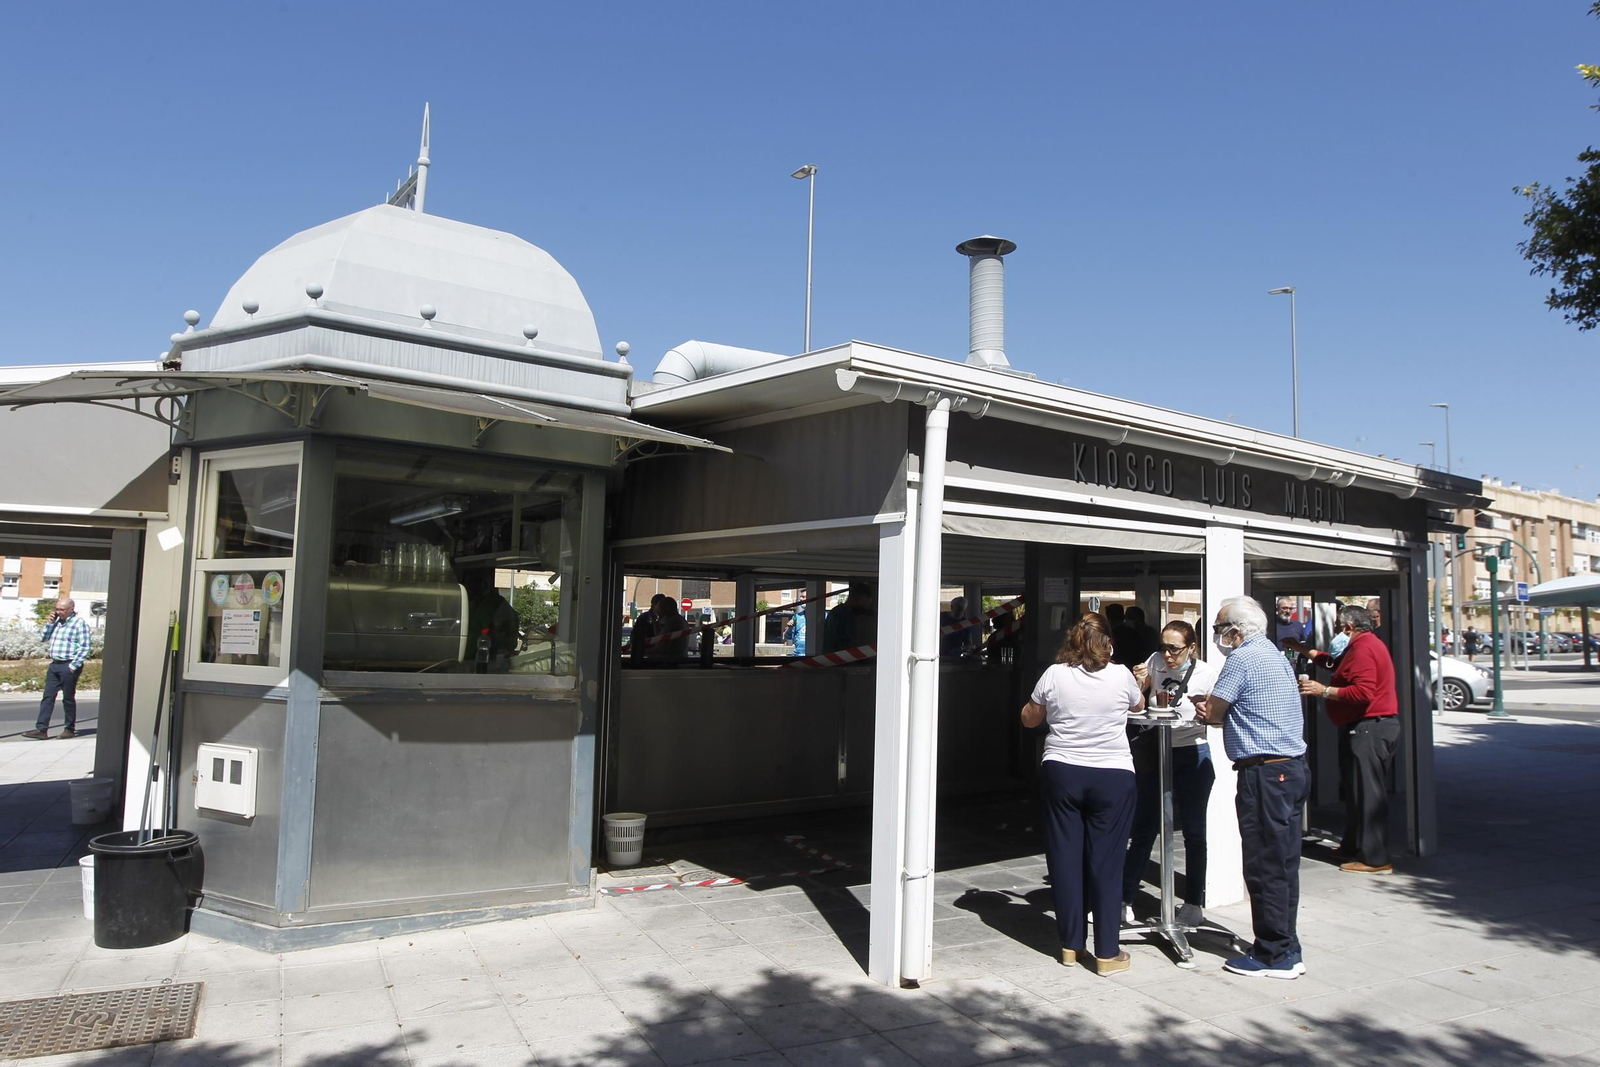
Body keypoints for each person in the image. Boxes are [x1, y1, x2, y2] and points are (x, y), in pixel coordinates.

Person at [1021, 612, 1144, 975]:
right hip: (1113, 773)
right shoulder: (1121, 675)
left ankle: (1070, 945)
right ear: (1108, 643)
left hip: (1063, 770)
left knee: (1065, 858)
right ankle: (1107, 952)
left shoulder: (1055, 675)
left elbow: (1030, 718)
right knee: (1107, 863)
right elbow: (1138, 706)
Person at [1197, 596, 1309, 980]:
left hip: (1266, 774)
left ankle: (1274, 953)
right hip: (1290, 770)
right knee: (1283, 862)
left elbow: (1214, 711)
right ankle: (1286, 943)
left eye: (1218, 628)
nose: (1216, 636)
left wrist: (1206, 710)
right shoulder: (1275, 655)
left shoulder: (1241, 659)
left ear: (1235, 630)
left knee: (1264, 863)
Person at [1286, 604, 1400, 874]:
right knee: (1356, 791)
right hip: (1363, 727)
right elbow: (1334, 664)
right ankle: (1353, 845)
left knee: (1368, 794)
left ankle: (1375, 858)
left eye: (1339, 627)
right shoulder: (1360, 646)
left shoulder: (1363, 649)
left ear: (1349, 627)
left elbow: (1363, 692)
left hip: (1370, 728)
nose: (1337, 630)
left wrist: (1324, 691)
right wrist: (1303, 650)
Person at [1124, 620, 1220, 925]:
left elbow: (1217, 717)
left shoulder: (1206, 673)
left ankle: (1193, 902)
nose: (1167, 655)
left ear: (1191, 648)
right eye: (1163, 647)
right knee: (1144, 826)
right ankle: (1124, 897)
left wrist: (1208, 711)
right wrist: (1139, 682)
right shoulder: (1154, 662)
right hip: (1157, 753)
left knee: (1193, 830)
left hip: (1191, 751)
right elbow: (1138, 705)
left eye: (1174, 649)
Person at [24, 598, 92, 740]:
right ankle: (41, 729)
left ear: (71, 609)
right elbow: (43, 638)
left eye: (62, 610)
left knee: (67, 698)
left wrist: (73, 666)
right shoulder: (56, 623)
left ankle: (69, 729)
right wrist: (49, 624)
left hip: (69, 665)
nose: (58, 612)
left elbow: (85, 647)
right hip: (55, 664)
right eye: (57, 609)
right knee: (48, 697)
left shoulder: (79, 624)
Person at [823, 582, 874, 654]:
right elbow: (831, 642)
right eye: (863, 603)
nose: (865, 607)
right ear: (854, 599)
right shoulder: (838, 615)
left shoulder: (854, 615)